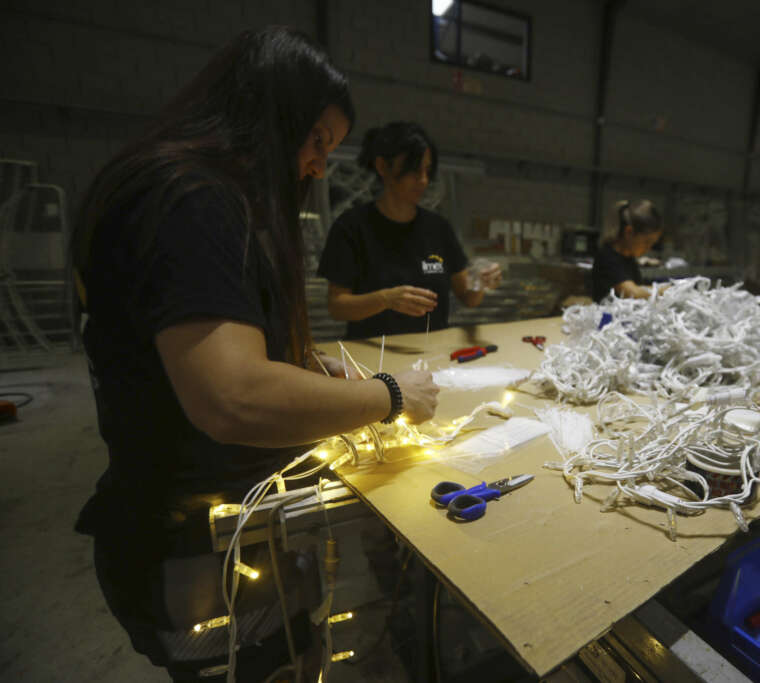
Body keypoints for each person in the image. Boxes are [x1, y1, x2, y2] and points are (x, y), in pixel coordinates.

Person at [70, 27, 438, 682]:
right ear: (267, 120)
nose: (319, 166)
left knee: (290, 658)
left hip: (216, 544)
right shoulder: (193, 201)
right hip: (200, 559)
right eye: (316, 141)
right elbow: (233, 394)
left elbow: (207, 357)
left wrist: (294, 367)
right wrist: (391, 395)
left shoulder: (193, 193)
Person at [318, 121, 501, 338]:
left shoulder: (438, 228)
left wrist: (482, 281)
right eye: (413, 170)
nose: (423, 180)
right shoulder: (351, 227)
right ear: (383, 167)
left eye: (427, 170)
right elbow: (337, 307)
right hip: (375, 355)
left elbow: (468, 296)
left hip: (433, 352)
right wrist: (386, 299)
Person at [591, 199, 663, 301]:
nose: (648, 248)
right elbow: (631, 293)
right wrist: (672, 288)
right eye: (646, 242)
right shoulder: (607, 257)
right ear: (629, 232)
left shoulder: (629, 258)